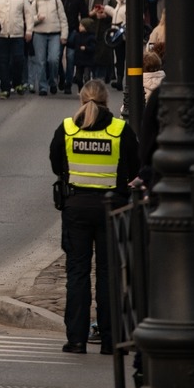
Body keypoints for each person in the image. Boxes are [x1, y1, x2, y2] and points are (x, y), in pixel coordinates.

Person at [48, 79, 139, 355]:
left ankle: (76, 340)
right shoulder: (120, 129)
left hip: (75, 207)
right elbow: (134, 167)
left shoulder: (66, 128)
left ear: (81, 99)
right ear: (106, 101)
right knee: (109, 273)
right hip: (112, 207)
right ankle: (111, 340)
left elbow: (56, 164)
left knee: (77, 273)